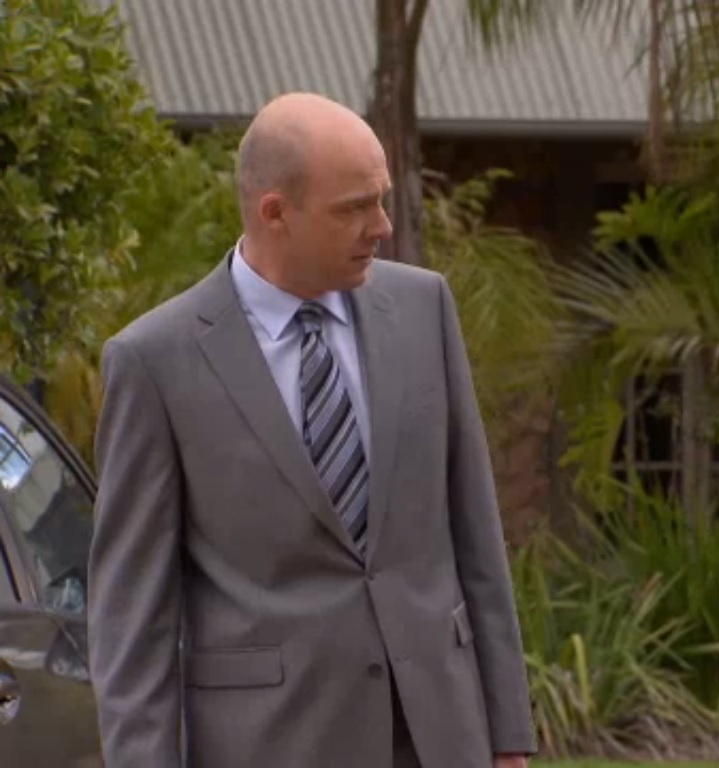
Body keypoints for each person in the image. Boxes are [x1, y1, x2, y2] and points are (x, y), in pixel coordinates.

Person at [87, 92, 535, 768]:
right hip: (271, 742)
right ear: (276, 213)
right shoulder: (155, 362)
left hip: (441, 734)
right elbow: (134, 617)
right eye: (355, 208)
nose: (382, 226)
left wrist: (507, 736)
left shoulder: (424, 308)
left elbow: (476, 531)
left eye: (381, 200)